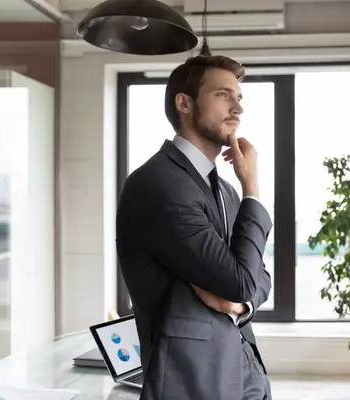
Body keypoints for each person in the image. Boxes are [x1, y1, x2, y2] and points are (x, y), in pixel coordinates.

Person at [115, 55, 273, 400]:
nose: (238, 109)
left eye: (239, 98)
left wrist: (239, 306)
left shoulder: (226, 190)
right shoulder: (158, 184)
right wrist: (253, 190)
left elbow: (260, 277)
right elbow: (242, 281)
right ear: (184, 103)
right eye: (223, 95)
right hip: (191, 377)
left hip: (244, 366)